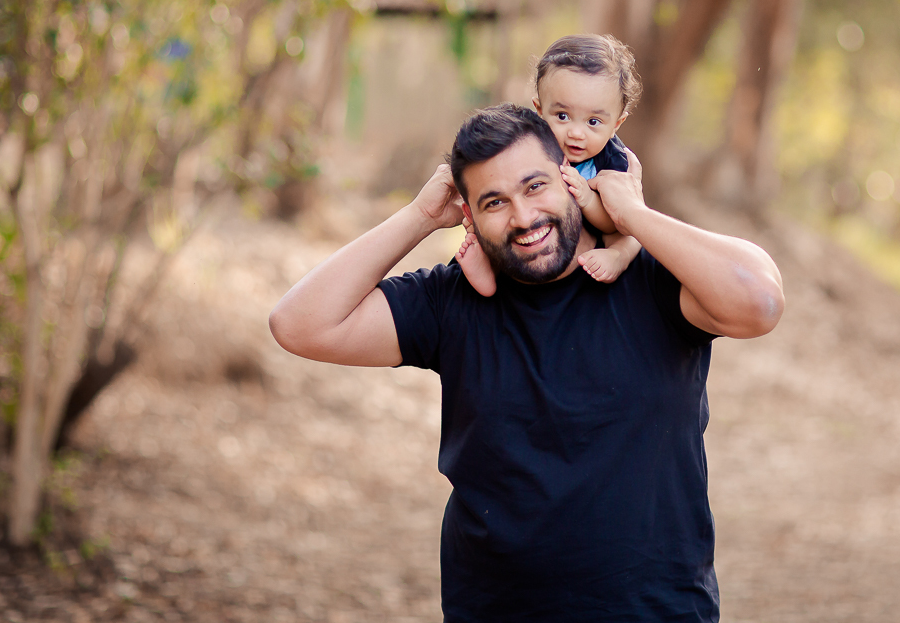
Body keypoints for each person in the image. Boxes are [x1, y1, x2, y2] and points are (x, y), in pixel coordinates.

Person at [269, 104, 784, 622]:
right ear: (468, 213)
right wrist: (419, 217)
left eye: (536, 186)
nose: (523, 217)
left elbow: (759, 303)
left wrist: (630, 215)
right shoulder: (451, 300)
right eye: (494, 201)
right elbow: (299, 324)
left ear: (570, 177)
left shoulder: (655, 279)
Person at [456, 34, 644, 296]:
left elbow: (615, 223)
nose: (576, 133)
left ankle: (618, 259)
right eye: (563, 116)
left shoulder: (613, 161)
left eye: (593, 122)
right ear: (539, 110)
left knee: (631, 233)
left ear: (617, 124)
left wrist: (588, 198)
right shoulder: (534, 147)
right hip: (540, 237)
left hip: (602, 231)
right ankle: (488, 268)